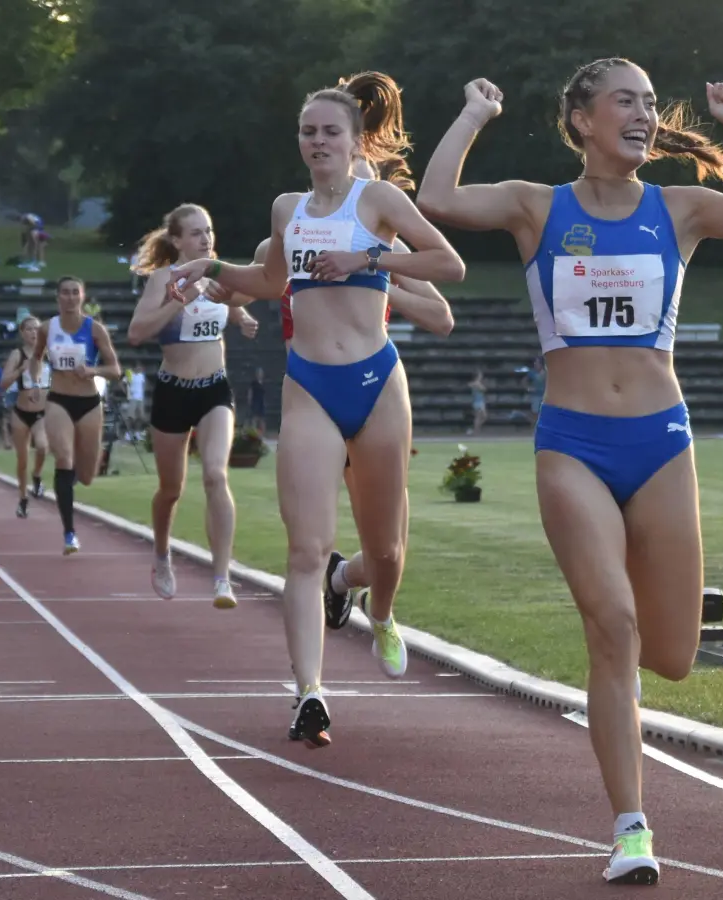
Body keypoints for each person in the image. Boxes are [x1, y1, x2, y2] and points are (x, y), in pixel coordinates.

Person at [416, 61, 723, 885]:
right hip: (573, 445)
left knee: (670, 654)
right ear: (583, 119)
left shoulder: (681, 208)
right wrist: (472, 115)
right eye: (625, 102)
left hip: (662, 443)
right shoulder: (538, 206)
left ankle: (630, 786)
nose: (643, 114)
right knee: (614, 628)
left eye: (647, 102)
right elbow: (437, 202)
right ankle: (630, 826)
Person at [171, 71, 465, 749]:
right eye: (308, 132)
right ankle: (309, 692)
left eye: (331, 131)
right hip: (309, 385)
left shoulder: (379, 198)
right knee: (304, 549)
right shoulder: (286, 209)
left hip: (377, 383)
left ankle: (379, 611)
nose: (318, 141)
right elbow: (268, 283)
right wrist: (210, 270)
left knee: (387, 552)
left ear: (355, 138)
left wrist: (366, 257)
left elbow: (448, 265)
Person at [263, 153, 455, 633]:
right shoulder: (294, 234)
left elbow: (442, 318)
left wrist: (377, 278)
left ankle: (344, 580)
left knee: (387, 555)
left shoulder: (381, 252)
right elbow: (255, 283)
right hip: (313, 399)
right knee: (307, 544)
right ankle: (310, 677)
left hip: (372, 398)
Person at [128, 203, 263, 606]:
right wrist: (182, 297)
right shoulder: (163, 280)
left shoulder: (220, 274)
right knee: (171, 489)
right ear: (176, 240)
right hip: (173, 392)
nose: (206, 239)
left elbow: (242, 295)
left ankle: (222, 576)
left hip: (214, 391)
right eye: (196, 233)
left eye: (209, 231)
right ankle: (162, 553)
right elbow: (137, 332)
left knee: (215, 476)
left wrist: (240, 318)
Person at [31, 276, 123, 553]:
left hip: (89, 403)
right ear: (58, 297)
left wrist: (92, 371)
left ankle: (66, 484)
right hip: (58, 400)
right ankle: (69, 533)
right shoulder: (47, 328)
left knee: (86, 475)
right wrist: (36, 382)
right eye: (65, 293)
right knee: (64, 458)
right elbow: (36, 357)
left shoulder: (95, 330)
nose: (70, 297)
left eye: (75, 293)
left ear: (82, 297)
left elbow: (115, 370)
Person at [0, 316, 51, 517]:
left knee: (42, 446)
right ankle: (22, 499)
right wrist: (20, 370)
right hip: (21, 413)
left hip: (42, 413)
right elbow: (3, 383)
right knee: (21, 460)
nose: (33, 333)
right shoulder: (17, 354)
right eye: (29, 329)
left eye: (36, 329)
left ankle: (37, 475)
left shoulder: (49, 353)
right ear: (22, 332)